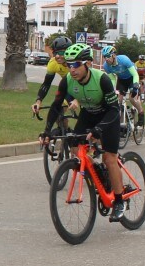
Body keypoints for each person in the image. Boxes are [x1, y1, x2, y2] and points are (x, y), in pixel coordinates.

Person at [41, 43, 128, 221]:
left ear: (87, 64)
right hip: (88, 113)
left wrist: (99, 129)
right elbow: (57, 106)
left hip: (108, 116)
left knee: (109, 158)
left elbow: (114, 109)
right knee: (75, 149)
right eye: (69, 64)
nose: (71, 69)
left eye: (76, 65)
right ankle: (97, 172)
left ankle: (119, 201)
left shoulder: (101, 79)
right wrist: (47, 131)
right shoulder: (67, 81)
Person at [100, 45, 145, 129]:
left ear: (114, 55)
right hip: (121, 80)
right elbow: (113, 79)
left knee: (132, 98)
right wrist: (112, 90)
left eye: (108, 56)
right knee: (117, 101)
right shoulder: (106, 66)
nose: (106, 59)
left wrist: (135, 85)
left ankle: (141, 112)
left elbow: (135, 74)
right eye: (104, 57)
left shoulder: (124, 60)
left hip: (132, 78)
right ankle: (118, 124)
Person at [32, 35, 72, 114]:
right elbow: (46, 84)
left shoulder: (76, 63)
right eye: (55, 53)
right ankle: (64, 126)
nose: (57, 56)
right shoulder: (53, 63)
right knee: (57, 113)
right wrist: (38, 102)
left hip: (82, 89)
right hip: (68, 88)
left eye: (60, 53)